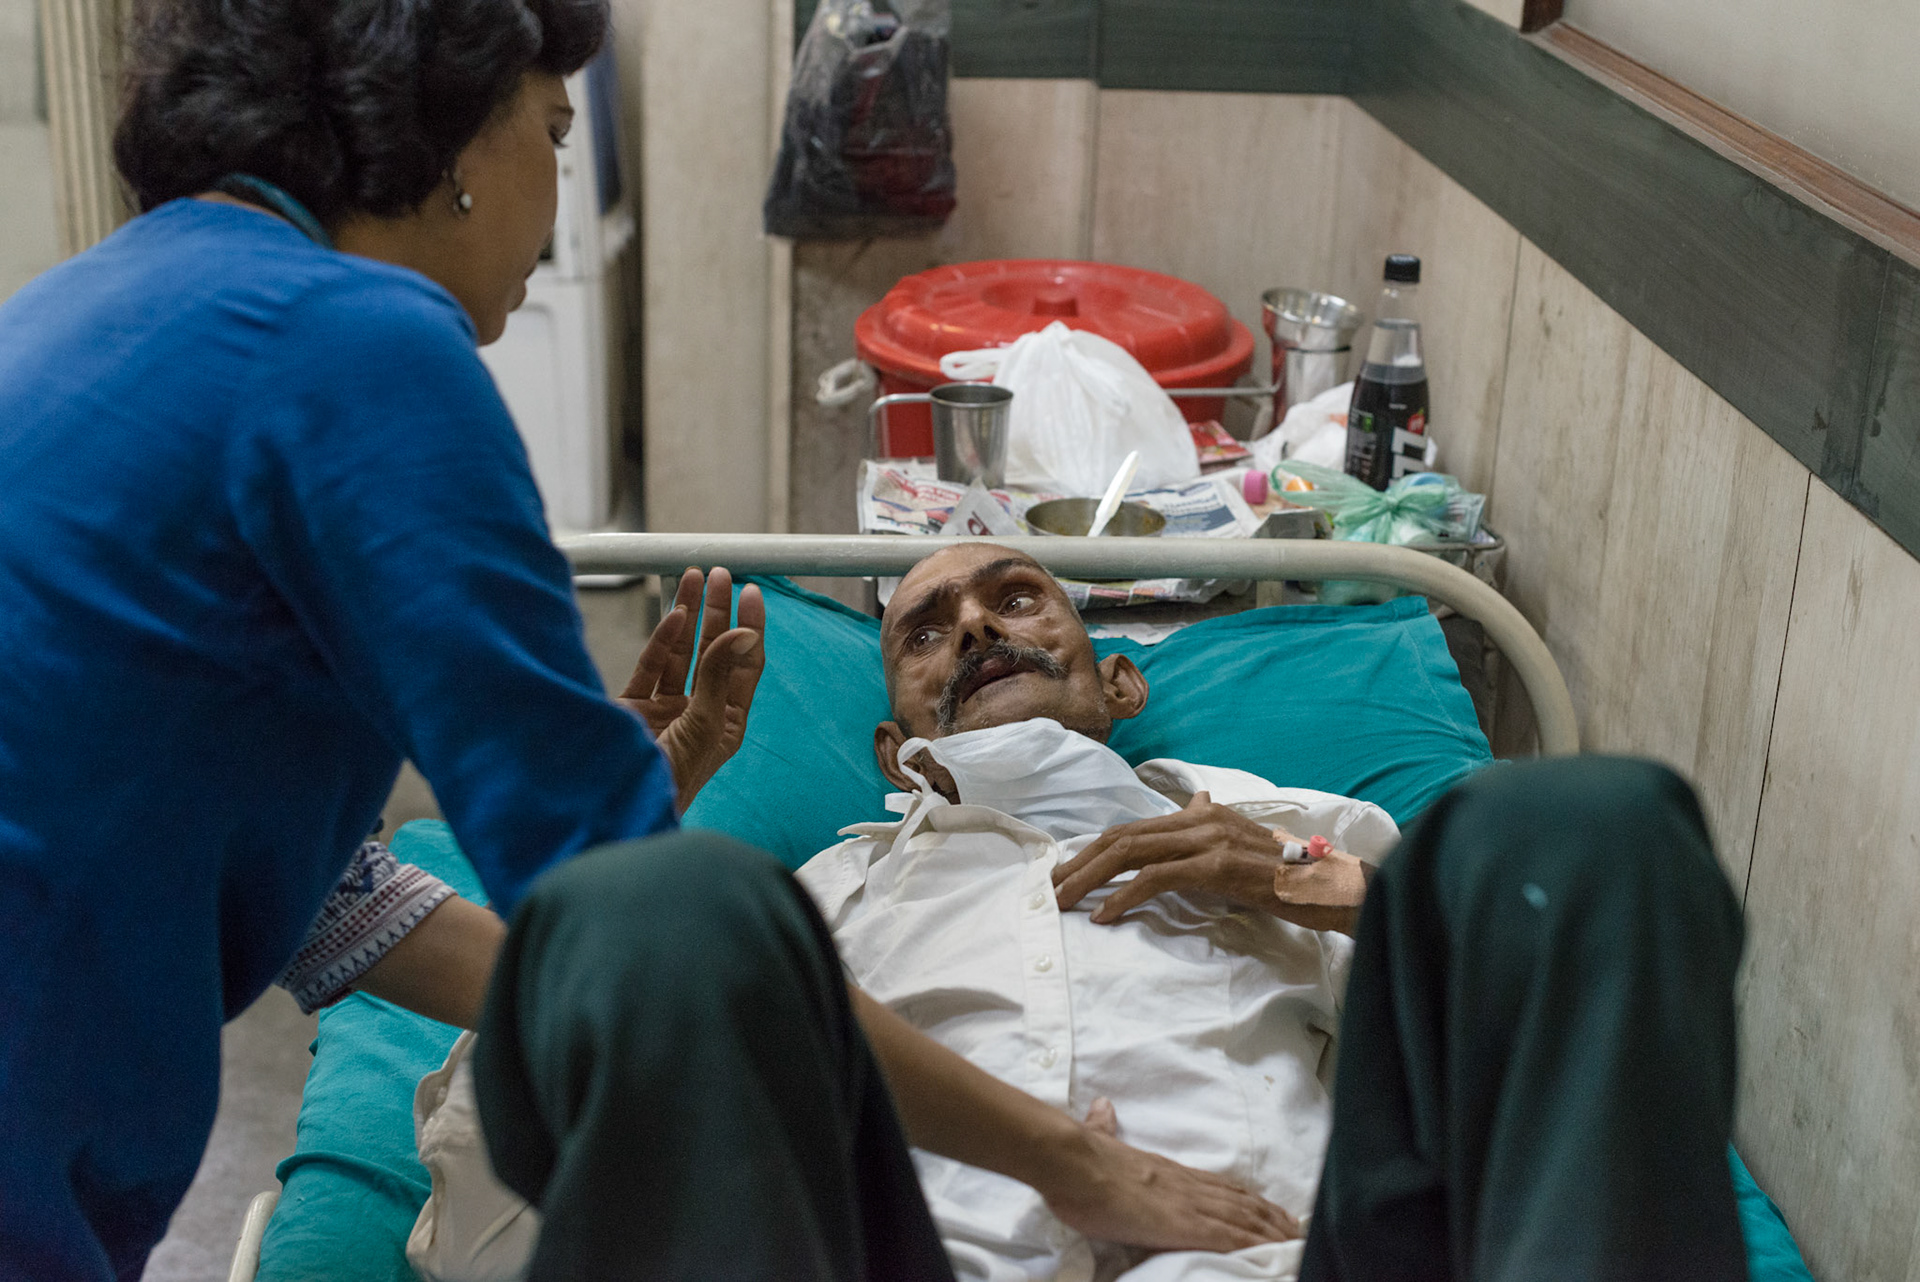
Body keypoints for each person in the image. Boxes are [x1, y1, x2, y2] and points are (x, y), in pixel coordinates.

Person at [417, 541, 1750, 1282]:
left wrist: (1309, 885)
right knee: (674, 901)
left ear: (1119, 682)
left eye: (1014, 596)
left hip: (1281, 1261)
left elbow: (1525, 1038)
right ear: (894, 745)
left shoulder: (1288, 827)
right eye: (927, 628)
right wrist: (630, 835)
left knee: (1587, 823)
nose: (978, 629)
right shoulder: (797, 905)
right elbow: (502, 1173)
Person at [0, 0, 774, 1271]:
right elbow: (634, 920)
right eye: (554, 132)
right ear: (460, 135)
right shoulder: (360, 340)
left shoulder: (111, 292)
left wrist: (598, 798)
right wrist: (1066, 1155)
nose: (556, 185)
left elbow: (320, 892)